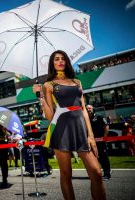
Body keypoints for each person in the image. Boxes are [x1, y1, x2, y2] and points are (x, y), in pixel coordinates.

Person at [33, 50, 106, 200]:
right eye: (56, 59)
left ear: (66, 62)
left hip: (81, 129)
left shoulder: (77, 82)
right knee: (66, 175)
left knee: (97, 173)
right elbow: (50, 116)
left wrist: (90, 135)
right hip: (61, 129)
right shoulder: (48, 84)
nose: (60, 61)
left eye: (63, 59)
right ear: (52, 63)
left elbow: (84, 109)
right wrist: (40, 97)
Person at [86, 105, 111, 180]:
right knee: (96, 158)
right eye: (87, 109)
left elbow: (106, 126)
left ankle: (107, 174)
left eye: (89, 108)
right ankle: (97, 173)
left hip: (100, 140)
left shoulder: (99, 116)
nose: (88, 110)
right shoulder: (85, 118)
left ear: (93, 109)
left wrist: (104, 137)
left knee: (104, 157)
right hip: (91, 141)